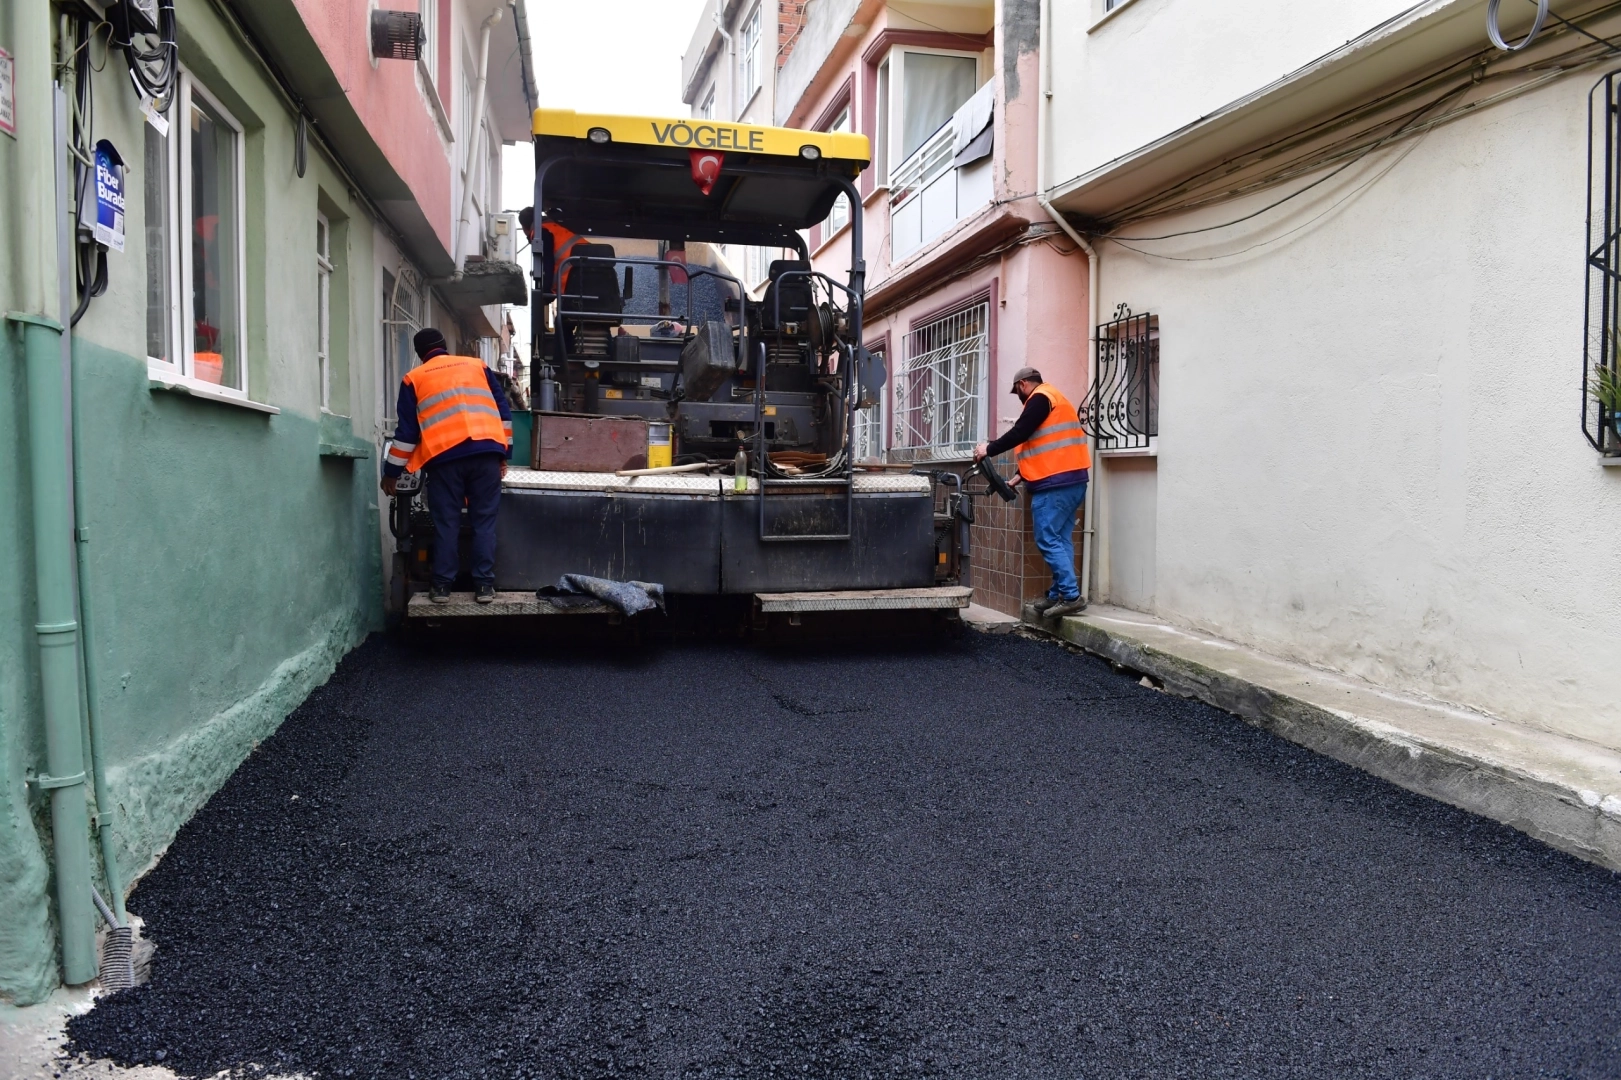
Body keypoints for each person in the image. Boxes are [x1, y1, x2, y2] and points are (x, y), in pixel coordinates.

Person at [381, 328, 513, 605]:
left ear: (420, 354)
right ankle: (484, 587)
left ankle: (442, 588)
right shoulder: (478, 366)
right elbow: (503, 413)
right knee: (484, 523)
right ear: (444, 345)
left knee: (447, 524)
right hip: (486, 455)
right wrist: (503, 455)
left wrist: (391, 474)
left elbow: (407, 434)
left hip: (444, 461)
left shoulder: (414, 378)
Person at [974, 366, 1092, 618]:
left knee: (1047, 538)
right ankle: (1059, 594)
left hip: (1054, 484)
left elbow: (1021, 432)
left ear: (1023, 384)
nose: (1018, 395)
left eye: (1017, 390)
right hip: (1073, 480)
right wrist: (1020, 475)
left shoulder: (1039, 398)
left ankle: (1071, 596)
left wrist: (989, 449)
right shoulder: (1054, 399)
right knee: (1060, 539)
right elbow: (1046, 445)